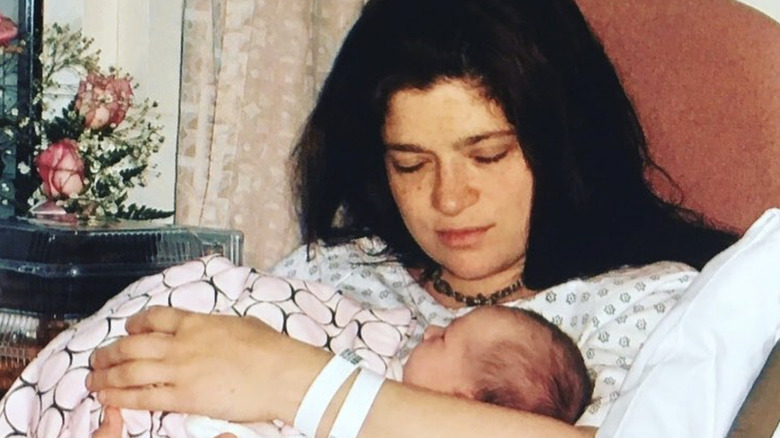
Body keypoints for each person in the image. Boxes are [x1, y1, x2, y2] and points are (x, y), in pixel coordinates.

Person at [85, 0, 738, 436]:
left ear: (564, 145)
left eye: (487, 155)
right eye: (410, 163)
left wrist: (296, 380)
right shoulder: (332, 272)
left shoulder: (647, 304)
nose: (449, 199)